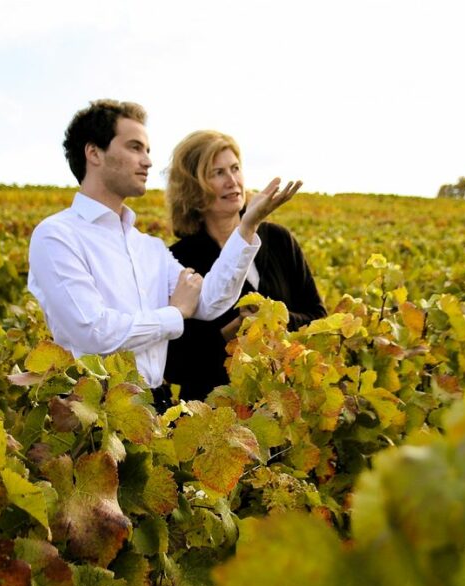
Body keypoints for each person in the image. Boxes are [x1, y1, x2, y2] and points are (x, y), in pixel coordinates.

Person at [27, 100, 301, 408]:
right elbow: (94, 332)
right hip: (90, 409)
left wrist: (248, 226)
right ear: (94, 153)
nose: (146, 161)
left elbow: (210, 302)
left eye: (146, 150)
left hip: (153, 405)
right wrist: (174, 314)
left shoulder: (149, 248)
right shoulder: (57, 236)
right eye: (134, 148)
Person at [164, 130, 326, 400]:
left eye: (235, 168)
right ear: (192, 187)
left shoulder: (279, 240)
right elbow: (175, 365)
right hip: (215, 417)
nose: (232, 181)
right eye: (217, 173)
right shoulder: (178, 260)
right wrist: (230, 333)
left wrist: (274, 319)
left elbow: (319, 317)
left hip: (285, 404)